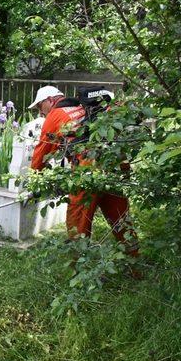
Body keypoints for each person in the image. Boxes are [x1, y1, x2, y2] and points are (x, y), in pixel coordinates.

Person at [29, 85, 139, 258]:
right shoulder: (83, 107)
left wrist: (35, 179)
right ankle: (135, 263)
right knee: (120, 219)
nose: (40, 112)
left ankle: (80, 272)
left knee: (78, 222)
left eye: (39, 106)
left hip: (87, 171)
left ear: (50, 100)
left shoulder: (56, 115)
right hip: (113, 165)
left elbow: (41, 152)